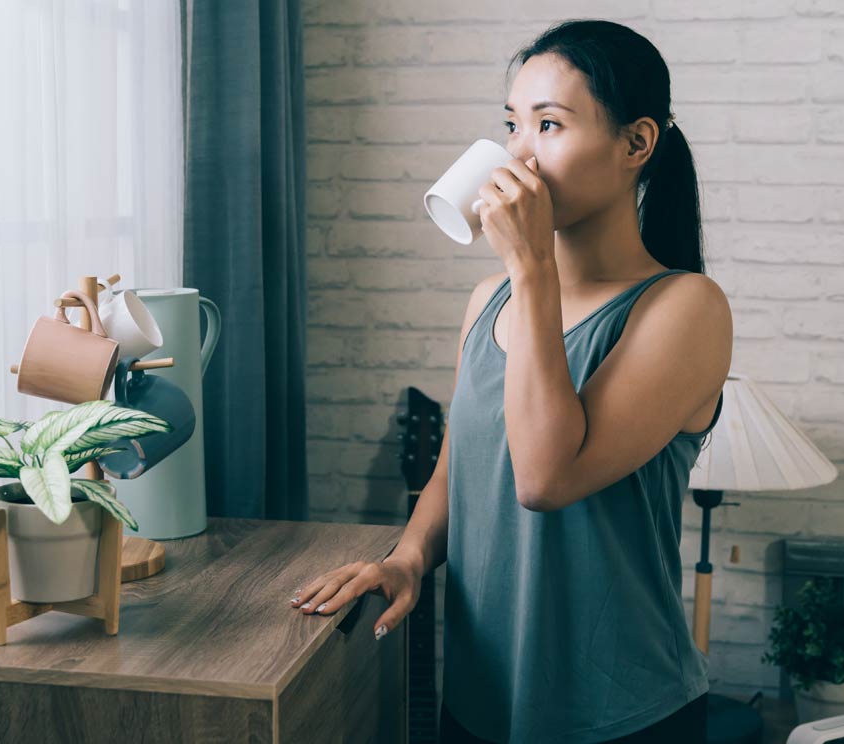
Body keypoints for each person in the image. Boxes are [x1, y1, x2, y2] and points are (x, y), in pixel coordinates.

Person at [285, 18, 731, 744]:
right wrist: (407, 558)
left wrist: (533, 269)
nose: (517, 155)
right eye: (511, 125)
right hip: (479, 701)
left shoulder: (685, 309)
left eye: (549, 124)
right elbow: (464, 461)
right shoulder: (490, 299)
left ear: (636, 144)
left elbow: (544, 478)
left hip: (622, 715)